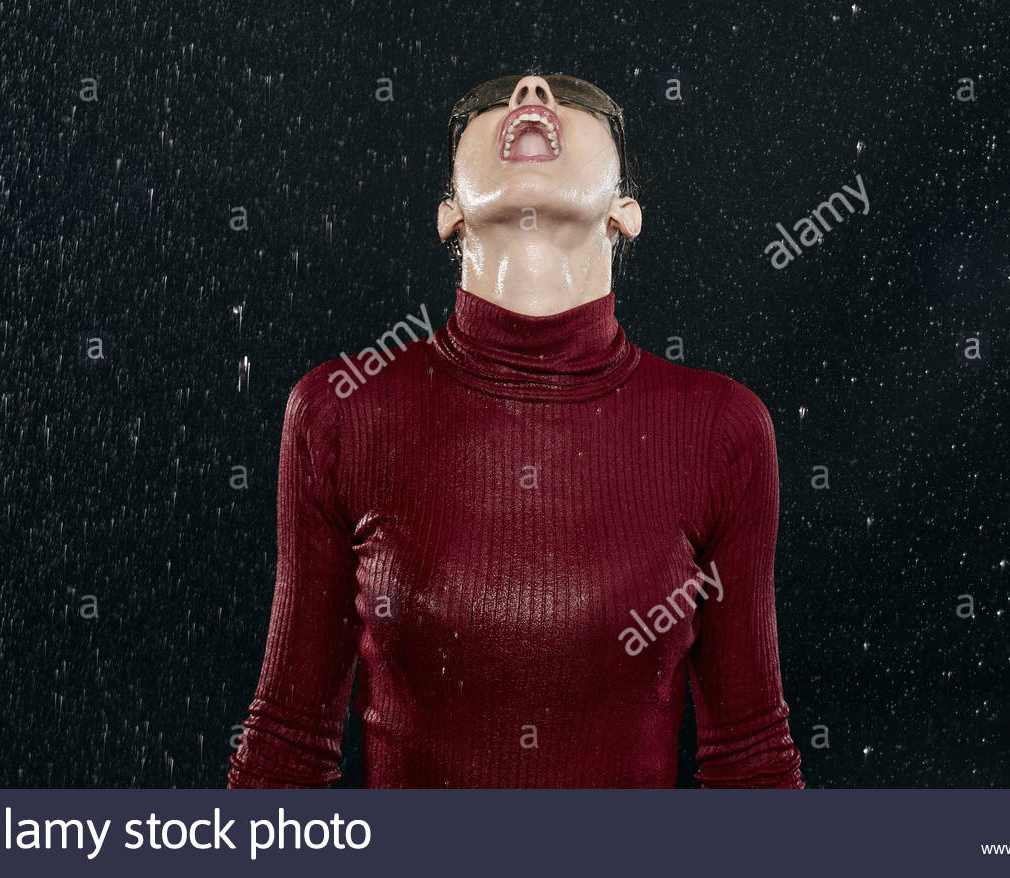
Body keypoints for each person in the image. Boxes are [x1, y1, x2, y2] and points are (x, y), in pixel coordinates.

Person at [228, 73, 805, 788]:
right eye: (493, 102)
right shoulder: (340, 410)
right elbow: (288, 741)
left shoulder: (723, 427)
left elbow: (749, 756)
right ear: (449, 213)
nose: (532, 92)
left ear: (626, 210)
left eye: (575, 100)